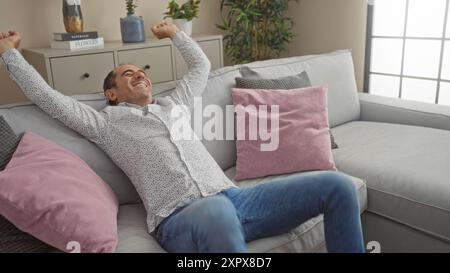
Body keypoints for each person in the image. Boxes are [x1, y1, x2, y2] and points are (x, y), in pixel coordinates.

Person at [0, 21, 365, 253]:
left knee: (338, 187)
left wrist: (175, 34)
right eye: (127, 75)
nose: (139, 75)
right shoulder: (104, 123)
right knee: (216, 211)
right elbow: (47, 98)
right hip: (178, 217)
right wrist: (11, 55)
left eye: (141, 71)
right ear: (111, 94)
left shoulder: (175, 104)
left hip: (239, 202)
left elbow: (201, 67)